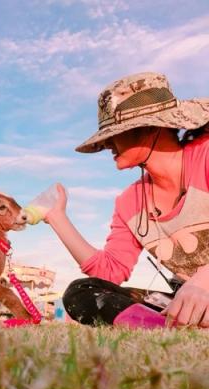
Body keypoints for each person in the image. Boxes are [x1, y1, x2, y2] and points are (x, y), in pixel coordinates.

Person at [45, 72, 209, 327]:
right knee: (82, 292)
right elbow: (109, 272)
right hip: (191, 302)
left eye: (115, 133)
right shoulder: (129, 201)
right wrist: (57, 217)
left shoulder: (205, 156)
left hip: (201, 291)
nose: (109, 143)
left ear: (150, 128)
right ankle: (163, 328)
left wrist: (202, 280)